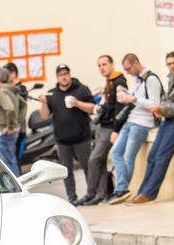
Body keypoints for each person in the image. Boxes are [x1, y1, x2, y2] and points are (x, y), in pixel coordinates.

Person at [129, 51, 174, 204]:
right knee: (152, 155)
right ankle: (142, 191)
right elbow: (168, 99)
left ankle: (149, 193)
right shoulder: (172, 77)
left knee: (161, 156)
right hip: (169, 118)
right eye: (169, 63)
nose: (172, 66)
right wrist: (161, 109)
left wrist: (162, 110)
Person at [108, 53, 163, 204]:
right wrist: (124, 93)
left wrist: (132, 98)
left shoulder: (151, 79)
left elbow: (154, 104)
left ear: (136, 63)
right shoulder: (137, 80)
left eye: (128, 68)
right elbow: (135, 98)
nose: (127, 73)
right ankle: (123, 188)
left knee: (128, 156)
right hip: (130, 120)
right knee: (115, 152)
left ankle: (120, 190)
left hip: (142, 123)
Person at [38, 64, 96, 205]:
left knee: (88, 167)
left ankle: (92, 194)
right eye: (60, 74)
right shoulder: (52, 94)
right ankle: (72, 197)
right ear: (57, 77)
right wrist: (44, 103)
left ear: (69, 74)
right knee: (66, 171)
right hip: (62, 140)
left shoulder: (81, 89)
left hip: (82, 137)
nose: (63, 77)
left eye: (65, 74)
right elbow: (44, 116)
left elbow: (93, 108)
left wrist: (77, 103)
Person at [76, 55, 128, 206]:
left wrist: (116, 129)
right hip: (102, 126)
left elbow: (120, 108)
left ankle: (91, 193)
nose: (101, 68)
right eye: (99, 65)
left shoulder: (119, 81)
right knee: (101, 161)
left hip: (110, 127)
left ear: (112, 64)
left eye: (104, 64)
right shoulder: (109, 82)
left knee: (93, 160)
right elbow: (109, 105)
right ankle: (102, 193)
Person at [0, 67, 21, 175]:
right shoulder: (10, 90)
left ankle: (17, 189)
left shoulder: (1, 92)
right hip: (8, 132)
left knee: (8, 164)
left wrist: (11, 126)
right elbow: (23, 106)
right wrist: (17, 123)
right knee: (11, 161)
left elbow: (10, 108)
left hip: (4, 133)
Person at [4, 62, 28, 162]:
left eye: (6, 73)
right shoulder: (5, 88)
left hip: (18, 130)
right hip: (6, 129)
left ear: (13, 73)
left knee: (15, 160)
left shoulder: (21, 89)